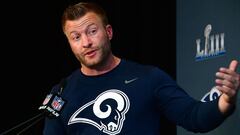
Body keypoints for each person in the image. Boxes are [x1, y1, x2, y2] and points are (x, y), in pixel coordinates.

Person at [43, 2, 240, 135]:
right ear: (69, 43)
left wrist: (225, 101)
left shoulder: (148, 78)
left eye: (92, 31)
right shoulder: (61, 93)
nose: (86, 42)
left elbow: (194, 117)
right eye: (76, 37)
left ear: (108, 32)